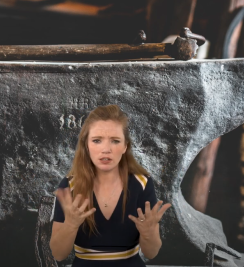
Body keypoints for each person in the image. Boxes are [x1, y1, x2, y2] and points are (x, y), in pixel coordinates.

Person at [50, 104, 171, 266]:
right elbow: (58, 254)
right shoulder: (69, 185)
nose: (106, 149)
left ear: (125, 146)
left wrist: (149, 233)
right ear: (86, 145)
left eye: (115, 141)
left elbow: (152, 252)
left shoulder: (142, 183)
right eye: (97, 140)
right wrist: (70, 225)